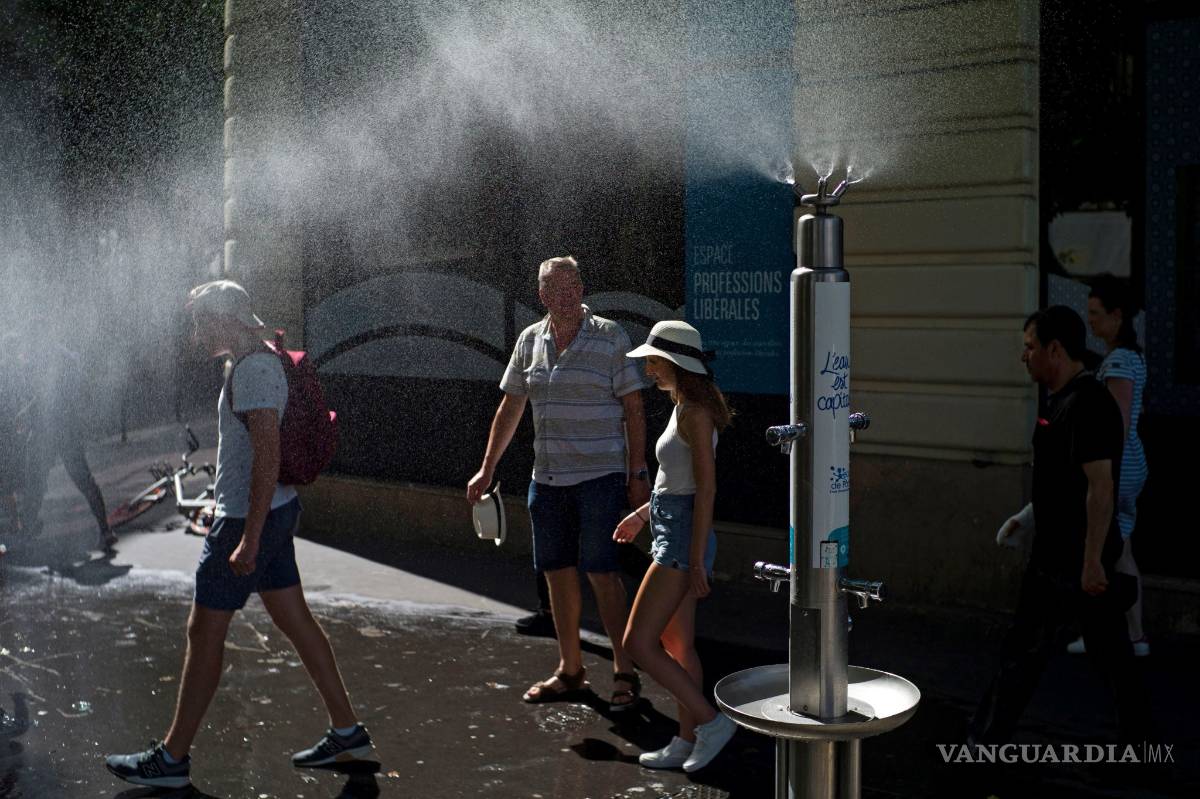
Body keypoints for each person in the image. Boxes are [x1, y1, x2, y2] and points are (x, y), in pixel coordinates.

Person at [106, 280, 372, 788]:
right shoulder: (252, 361)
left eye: (200, 323)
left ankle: (172, 759)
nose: (195, 334)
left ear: (224, 318)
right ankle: (346, 731)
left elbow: (268, 454)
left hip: (248, 522)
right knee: (295, 620)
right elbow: (251, 455)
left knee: (203, 631)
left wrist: (248, 536)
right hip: (267, 513)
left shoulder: (253, 369)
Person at [467, 256, 650, 712]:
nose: (565, 297)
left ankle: (625, 671)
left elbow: (634, 409)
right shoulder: (531, 340)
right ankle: (571, 670)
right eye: (555, 291)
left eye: (572, 288)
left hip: (601, 478)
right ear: (542, 295)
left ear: (582, 289)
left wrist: (638, 472)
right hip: (546, 481)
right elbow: (510, 408)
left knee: (603, 573)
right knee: (557, 573)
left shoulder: (610, 337)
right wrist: (487, 467)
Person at [976, 306, 1148, 746]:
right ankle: (987, 740)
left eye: (1030, 347)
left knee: (1096, 659)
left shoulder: (1089, 403)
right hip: (1054, 556)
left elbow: (1100, 487)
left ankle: (985, 744)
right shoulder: (1060, 401)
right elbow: (1064, 480)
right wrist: (1028, 518)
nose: (1024, 357)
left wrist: (1092, 562)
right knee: (1034, 655)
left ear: (1055, 349)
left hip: (1073, 562)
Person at [614, 320, 737, 772]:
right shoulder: (683, 405)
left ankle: (710, 722)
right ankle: (686, 740)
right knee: (678, 644)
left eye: (652, 361)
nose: (648, 369)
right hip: (673, 529)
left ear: (675, 363)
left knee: (638, 642)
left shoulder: (694, 414)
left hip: (683, 540)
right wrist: (641, 515)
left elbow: (705, 491)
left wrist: (698, 560)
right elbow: (675, 483)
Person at [1061, 275, 1149, 656]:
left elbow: (1116, 424)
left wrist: (1101, 474)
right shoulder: (1131, 357)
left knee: (1107, 548)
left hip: (1118, 467)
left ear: (1117, 315)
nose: (1090, 321)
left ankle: (1122, 634)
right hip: (1129, 465)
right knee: (1120, 548)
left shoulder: (1118, 361)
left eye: (1096, 314)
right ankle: (1132, 635)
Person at [0, 332, 115, 551]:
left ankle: (28, 529)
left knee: (37, 481)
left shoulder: (35, 360)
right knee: (80, 480)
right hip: (64, 428)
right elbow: (74, 390)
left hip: (48, 431)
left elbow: (34, 395)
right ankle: (105, 528)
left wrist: (27, 413)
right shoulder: (63, 356)